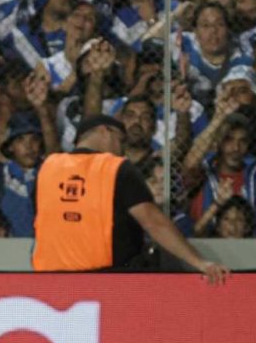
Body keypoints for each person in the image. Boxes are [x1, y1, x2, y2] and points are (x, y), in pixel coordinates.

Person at [31, 114, 230, 282]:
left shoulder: (47, 168)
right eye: (121, 140)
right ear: (105, 131)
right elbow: (153, 222)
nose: (122, 149)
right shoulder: (115, 168)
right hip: (109, 279)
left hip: (50, 280)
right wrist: (199, 262)